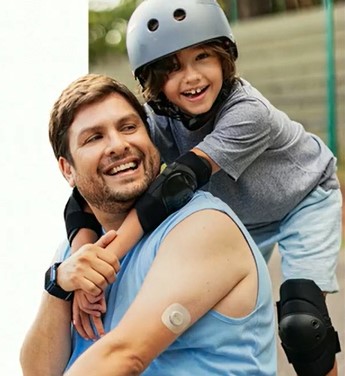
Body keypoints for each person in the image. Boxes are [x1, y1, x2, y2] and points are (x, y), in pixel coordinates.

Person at [63, 1, 342, 375]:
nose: (192, 76)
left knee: (302, 323)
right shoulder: (154, 121)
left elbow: (176, 185)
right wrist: (83, 260)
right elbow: (79, 195)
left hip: (303, 199)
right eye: (173, 66)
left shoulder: (248, 111)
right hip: (241, 214)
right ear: (152, 80)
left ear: (225, 58)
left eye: (203, 57)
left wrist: (106, 262)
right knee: (198, 308)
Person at [20, 73, 277, 375]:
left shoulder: (202, 226)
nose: (118, 145)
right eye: (95, 137)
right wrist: (58, 283)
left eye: (128, 127)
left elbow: (125, 357)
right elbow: (38, 371)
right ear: (67, 170)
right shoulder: (73, 250)